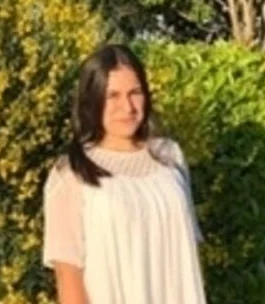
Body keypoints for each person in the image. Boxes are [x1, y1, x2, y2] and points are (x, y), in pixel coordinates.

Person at [42, 44, 207, 304]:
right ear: (93, 100)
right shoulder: (72, 172)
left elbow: (187, 254)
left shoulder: (169, 157)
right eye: (113, 96)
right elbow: (68, 275)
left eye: (135, 93)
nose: (127, 107)